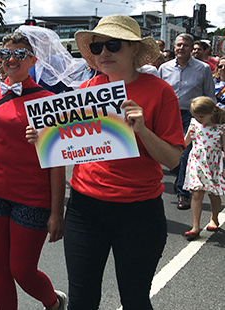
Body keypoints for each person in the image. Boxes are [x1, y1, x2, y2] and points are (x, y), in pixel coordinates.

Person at [27, 15, 185, 309]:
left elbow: (174, 159)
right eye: (98, 47)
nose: (104, 53)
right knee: (82, 301)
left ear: (135, 50)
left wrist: (143, 131)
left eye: (113, 45)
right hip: (85, 209)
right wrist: (44, 137)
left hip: (139, 213)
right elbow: (66, 147)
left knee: (135, 300)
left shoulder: (159, 92)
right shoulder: (86, 90)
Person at [0, 32, 67, 310]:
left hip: (32, 196)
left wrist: (57, 212)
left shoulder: (48, 101)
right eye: (6, 53)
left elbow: (56, 163)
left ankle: (54, 303)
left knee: (21, 269)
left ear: (33, 59)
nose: (12, 59)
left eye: (20, 54)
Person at [159, 33, 216, 210]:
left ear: (192, 48)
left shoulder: (203, 69)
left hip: (192, 117)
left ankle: (183, 193)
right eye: (178, 45)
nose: (180, 48)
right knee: (169, 151)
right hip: (169, 115)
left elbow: (209, 95)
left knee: (185, 151)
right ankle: (181, 175)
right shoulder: (164, 68)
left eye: (184, 45)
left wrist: (210, 119)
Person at [182, 96, 225, 240]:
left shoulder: (221, 128)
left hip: (213, 163)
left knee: (213, 193)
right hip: (196, 161)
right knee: (196, 193)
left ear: (211, 113)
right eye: (196, 116)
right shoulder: (194, 123)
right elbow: (186, 141)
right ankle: (195, 227)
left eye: (201, 116)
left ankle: (214, 217)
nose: (198, 119)